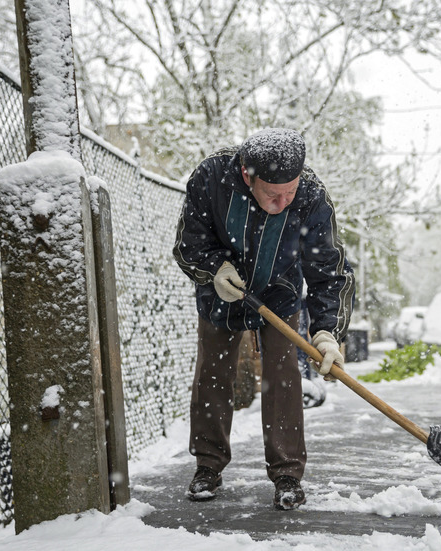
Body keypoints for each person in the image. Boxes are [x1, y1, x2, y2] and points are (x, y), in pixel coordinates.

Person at [172, 128, 355, 510]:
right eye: (274, 194)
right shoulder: (211, 178)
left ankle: (287, 473)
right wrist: (213, 269)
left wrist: (327, 332)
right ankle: (207, 464)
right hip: (224, 290)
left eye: (290, 192)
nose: (284, 201)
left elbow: (329, 271)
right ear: (247, 175)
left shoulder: (310, 195)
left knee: (283, 372)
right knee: (213, 373)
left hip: (279, 292)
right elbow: (189, 243)